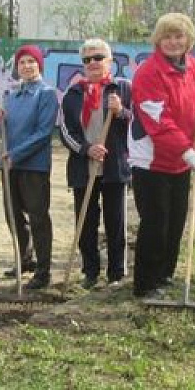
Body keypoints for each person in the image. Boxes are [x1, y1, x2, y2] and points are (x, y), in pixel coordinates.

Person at [129, 13, 195, 301]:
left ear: (189, 39)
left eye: (179, 36)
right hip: (152, 159)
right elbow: (158, 121)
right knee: (156, 221)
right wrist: (186, 150)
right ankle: (146, 283)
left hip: (182, 158)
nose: (173, 42)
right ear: (158, 40)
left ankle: (165, 274)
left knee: (176, 220)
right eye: (167, 37)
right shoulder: (148, 73)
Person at [60, 38, 133, 290]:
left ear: (109, 61)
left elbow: (138, 123)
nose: (93, 62)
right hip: (84, 168)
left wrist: (121, 111)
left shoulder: (122, 88)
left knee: (116, 222)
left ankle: (116, 273)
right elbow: (65, 131)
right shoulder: (73, 93)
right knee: (86, 222)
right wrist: (86, 149)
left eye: (98, 57)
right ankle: (90, 272)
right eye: (87, 59)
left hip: (114, 167)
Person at [0, 45, 59, 290]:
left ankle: (43, 272)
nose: (27, 66)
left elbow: (43, 133)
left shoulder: (46, 94)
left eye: (32, 61)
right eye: (22, 62)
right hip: (9, 164)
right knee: (13, 214)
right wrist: (0, 118)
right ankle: (24, 258)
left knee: (38, 217)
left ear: (39, 65)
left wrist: (16, 155)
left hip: (33, 166)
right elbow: (8, 129)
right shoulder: (12, 96)